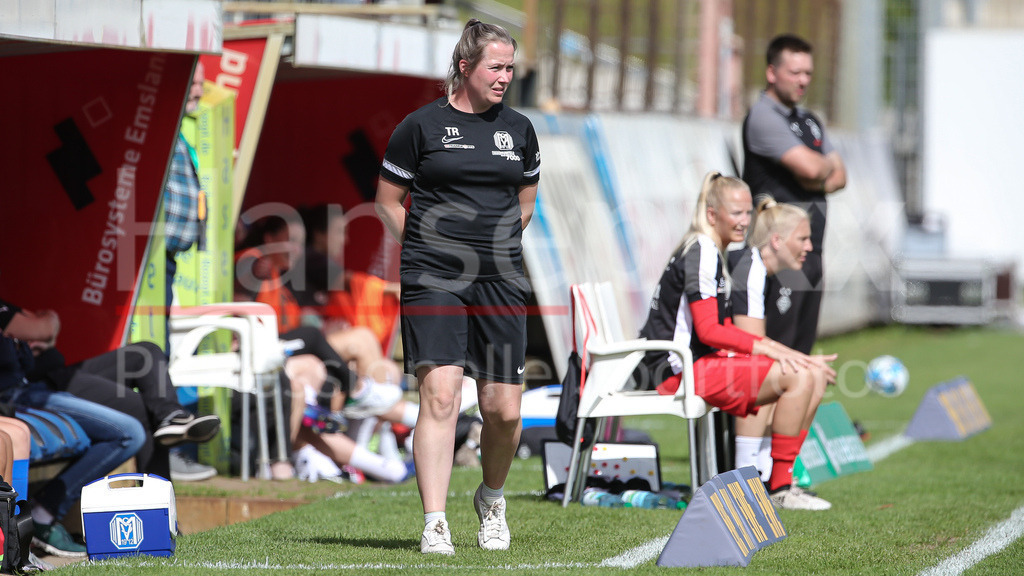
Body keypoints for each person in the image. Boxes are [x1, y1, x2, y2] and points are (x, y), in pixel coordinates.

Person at [375, 18, 541, 555]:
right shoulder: (419, 126)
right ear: (465, 66)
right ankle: (434, 522)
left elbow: (526, 204)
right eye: (496, 66)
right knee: (441, 396)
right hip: (433, 279)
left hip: (501, 279)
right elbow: (386, 201)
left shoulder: (518, 129)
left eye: (511, 68)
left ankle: (491, 499)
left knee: (503, 410)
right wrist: (426, 250)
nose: (505, 77)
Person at [635, 172, 835, 511]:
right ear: (713, 214)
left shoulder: (712, 249)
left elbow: (720, 330)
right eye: (736, 213)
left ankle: (772, 480)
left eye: (747, 213)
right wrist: (772, 349)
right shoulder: (702, 250)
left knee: (805, 372)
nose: (745, 222)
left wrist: (782, 352)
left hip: (695, 363)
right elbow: (711, 331)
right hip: (675, 369)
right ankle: (771, 482)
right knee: (799, 374)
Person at [0, 298, 146, 557]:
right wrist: (48, 321)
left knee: (130, 428)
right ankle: (16, 543)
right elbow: (44, 327)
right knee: (128, 432)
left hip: (30, 390)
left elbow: (41, 338)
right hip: (15, 398)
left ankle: (34, 523)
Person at [741, 34, 846, 355]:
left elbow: (840, 176)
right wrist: (818, 170)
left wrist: (817, 170)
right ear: (772, 72)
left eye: (808, 74)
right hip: (779, 255)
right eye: (794, 72)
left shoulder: (809, 121)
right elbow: (816, 170)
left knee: (801, 354)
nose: (803, 81)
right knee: (776, 354)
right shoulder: (763, 117)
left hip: (809, 250)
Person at [28, 337, 222, 481]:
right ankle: (159, 516)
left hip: (56, 373)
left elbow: (41, 325)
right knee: (143, 410)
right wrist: (43, 326)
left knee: (145, 354)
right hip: (35, 388)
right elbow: (41, 326)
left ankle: (172, 415)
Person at [729, 197, 813, 483]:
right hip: (688, 365)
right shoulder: (749, 266)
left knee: (810, 373)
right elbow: (752, 343)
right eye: (803, 239)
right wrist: (796, 359)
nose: (809, 247)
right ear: (777, 240)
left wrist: (804, 360)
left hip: (718, 361)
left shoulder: (762, 272)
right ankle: (750, 478)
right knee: (780, 373)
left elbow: (755, 341)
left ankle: (773, 475)